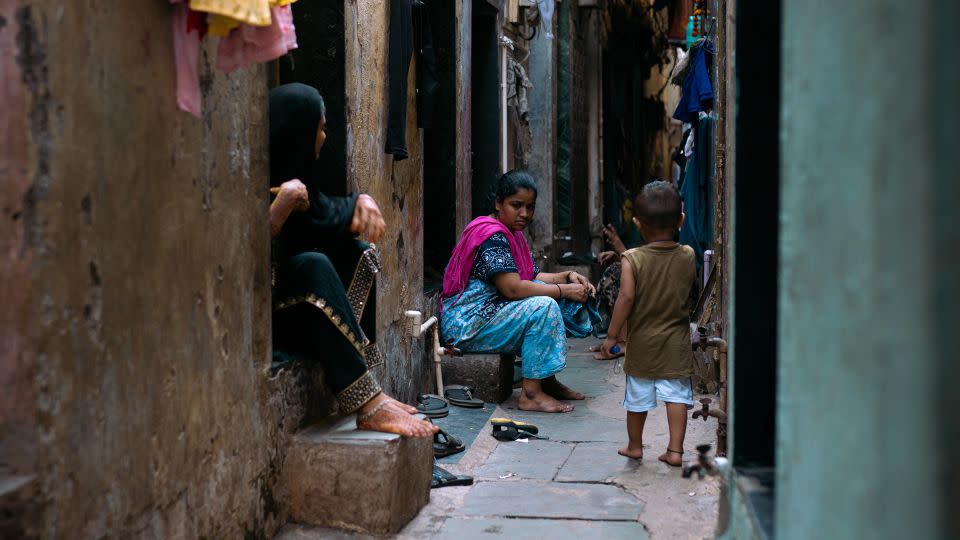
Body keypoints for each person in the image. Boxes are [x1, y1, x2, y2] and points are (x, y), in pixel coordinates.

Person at [269, 83, 437, 438]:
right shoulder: (252, 172)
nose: (324, 137)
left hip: (293, 306)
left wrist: (360, 200)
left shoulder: (294, 173)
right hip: (257, 310)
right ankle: (368, 403)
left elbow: (323, 212)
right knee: (314, 264)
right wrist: (278, 210)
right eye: (321, 127)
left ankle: (365, 382)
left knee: (360, 252)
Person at [440, 170, 597, 414]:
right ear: (498, 203)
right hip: (467, 325)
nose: (524, 214)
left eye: (530, 207)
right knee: (544, 306)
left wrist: (567, 277)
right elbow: (512, 288)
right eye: (516, 205)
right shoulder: (492, 236)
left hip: (489, 314)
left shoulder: (512, 234)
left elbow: (532, 277)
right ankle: (531, 394)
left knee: (551, 295)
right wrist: (564, 290)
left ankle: (545, 380)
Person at [601, 181, 696, 465]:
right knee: (677, 396)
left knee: (636, 398)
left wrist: (612, 336)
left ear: (637, 224)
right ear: (681, 219)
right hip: (676, 342)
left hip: (642, 343)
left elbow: (626, 297)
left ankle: (634, 446)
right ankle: (676, 451)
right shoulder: (688, 255)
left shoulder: (632, 258)